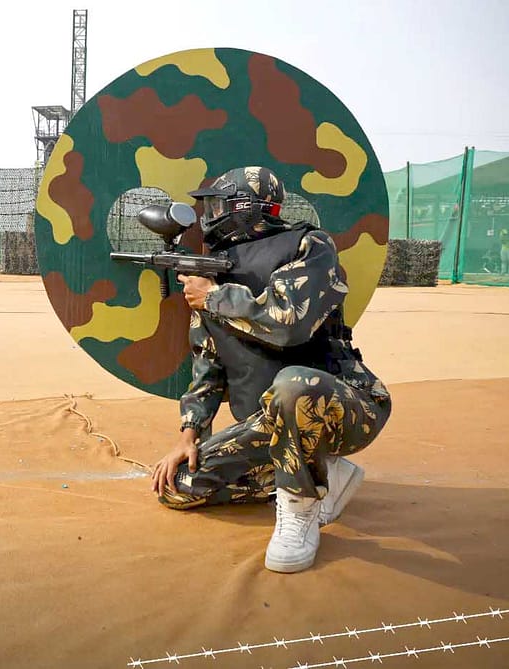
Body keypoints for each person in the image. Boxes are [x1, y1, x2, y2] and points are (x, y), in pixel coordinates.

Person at [150, 166, 392, 573]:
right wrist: (188, 436)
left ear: (243, 208)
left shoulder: (310, 246)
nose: (209, 214)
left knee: (292, 384)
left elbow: (289, 323)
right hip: (273, 425)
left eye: (216, 205)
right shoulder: (213, 273)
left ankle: (299, 511)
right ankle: (322, 476)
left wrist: (215, 298)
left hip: (345, 408)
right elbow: (207, 369)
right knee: (180, 487)